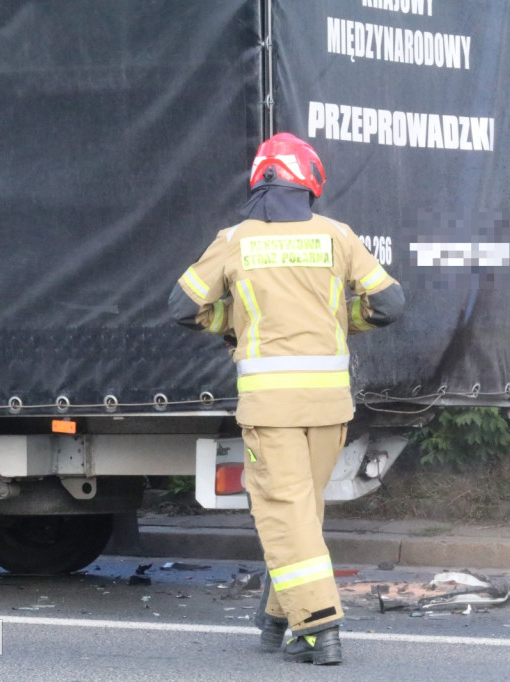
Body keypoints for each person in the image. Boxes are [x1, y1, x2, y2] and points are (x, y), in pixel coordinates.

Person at [168, 132, 404, 665]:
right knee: (302, 515)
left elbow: (181, 307)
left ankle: (320, 628)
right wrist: (344, 320)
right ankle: (276, 617)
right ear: (310, 183)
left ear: (260, 182)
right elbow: (390, 304)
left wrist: (233, 323)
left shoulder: (235, 240)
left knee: (285, 515)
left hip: (270, 408)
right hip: (328, 407)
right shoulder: (337, 236)